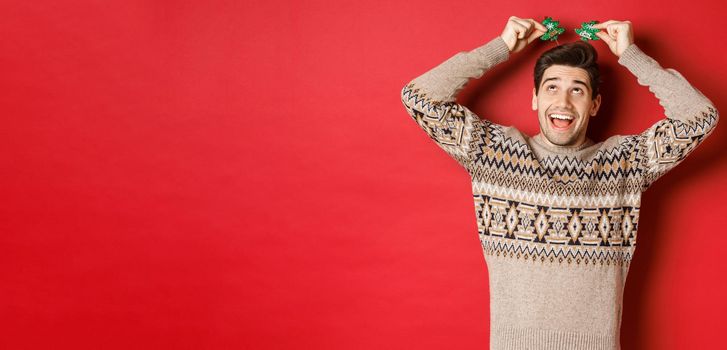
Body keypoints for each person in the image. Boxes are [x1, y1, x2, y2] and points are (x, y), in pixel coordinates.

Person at [400, 16, 718, 349]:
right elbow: (419, 97)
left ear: (594, 105)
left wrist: (630, 54)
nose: (563, 103)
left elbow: (698, 117)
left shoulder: (626, 163)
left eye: (576, 90)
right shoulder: (493, 152)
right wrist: (501, 47)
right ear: (535, 98)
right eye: (552, 87)